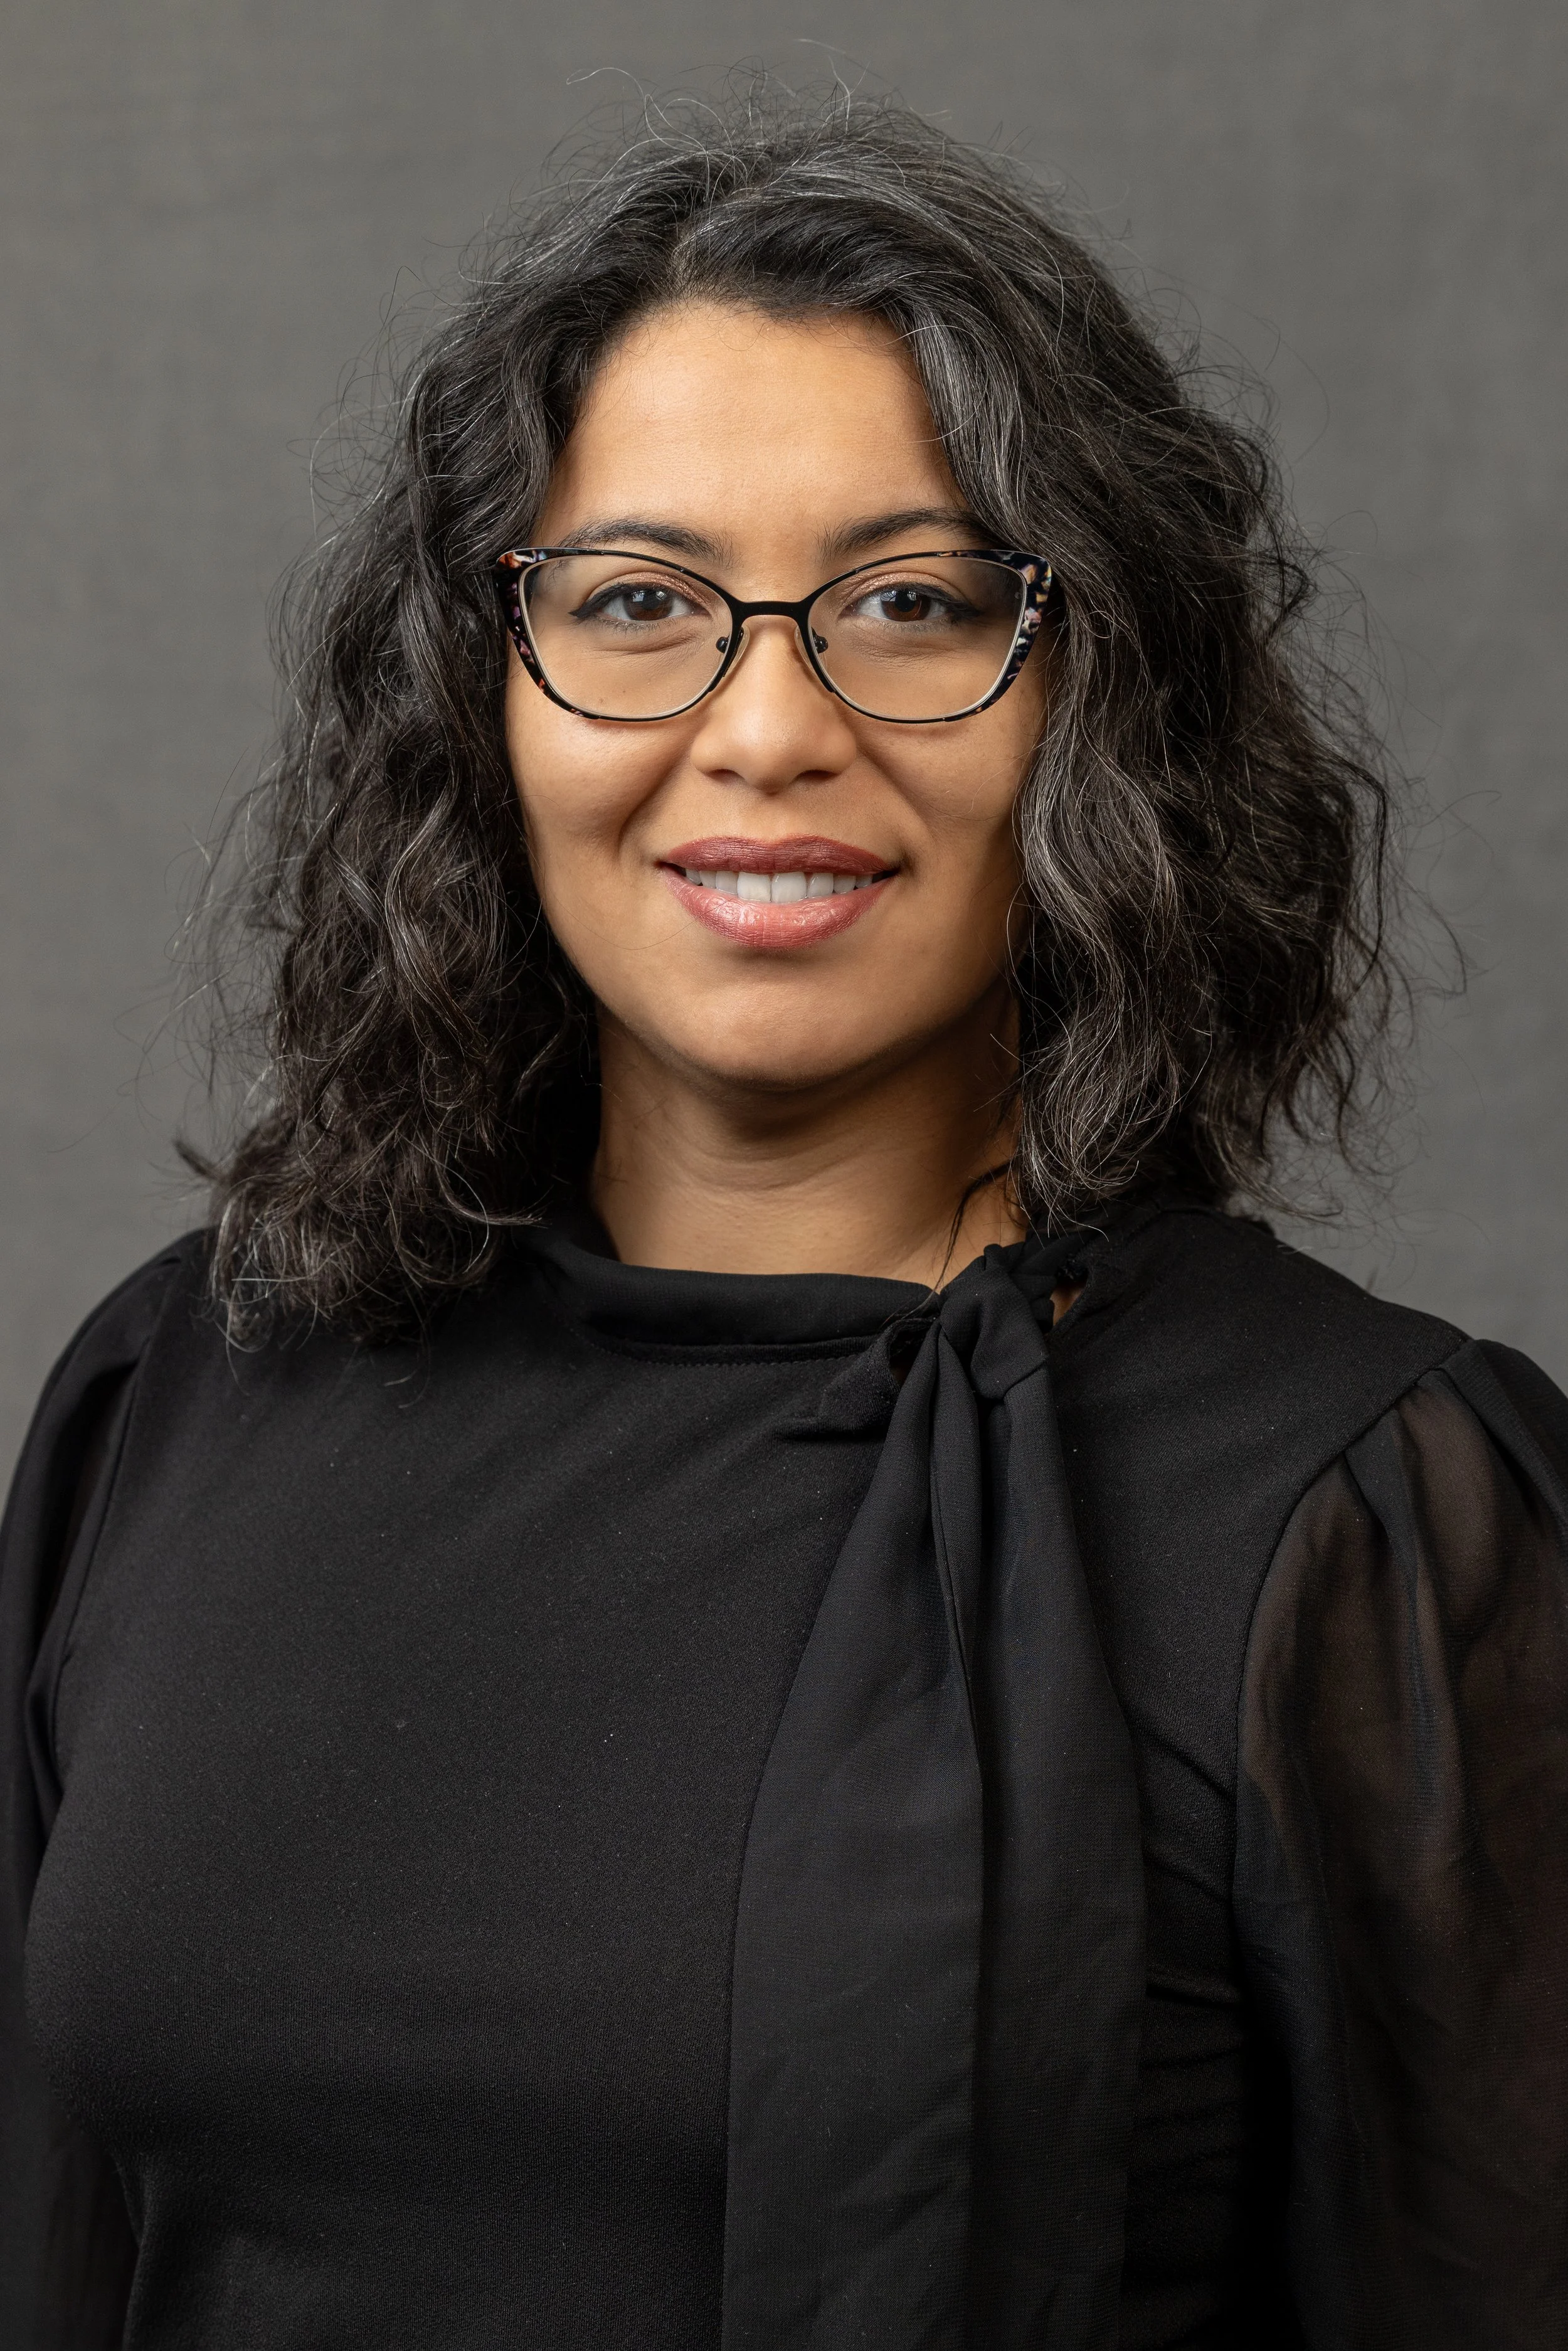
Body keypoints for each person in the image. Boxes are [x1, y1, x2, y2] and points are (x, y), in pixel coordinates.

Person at [3, 90, 1564, 2351]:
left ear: (1095, 699)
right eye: (633, 602)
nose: (764, 726)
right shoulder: (185, 1394)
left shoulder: (1370, 1519)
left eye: (912, 605)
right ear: (482, 691)